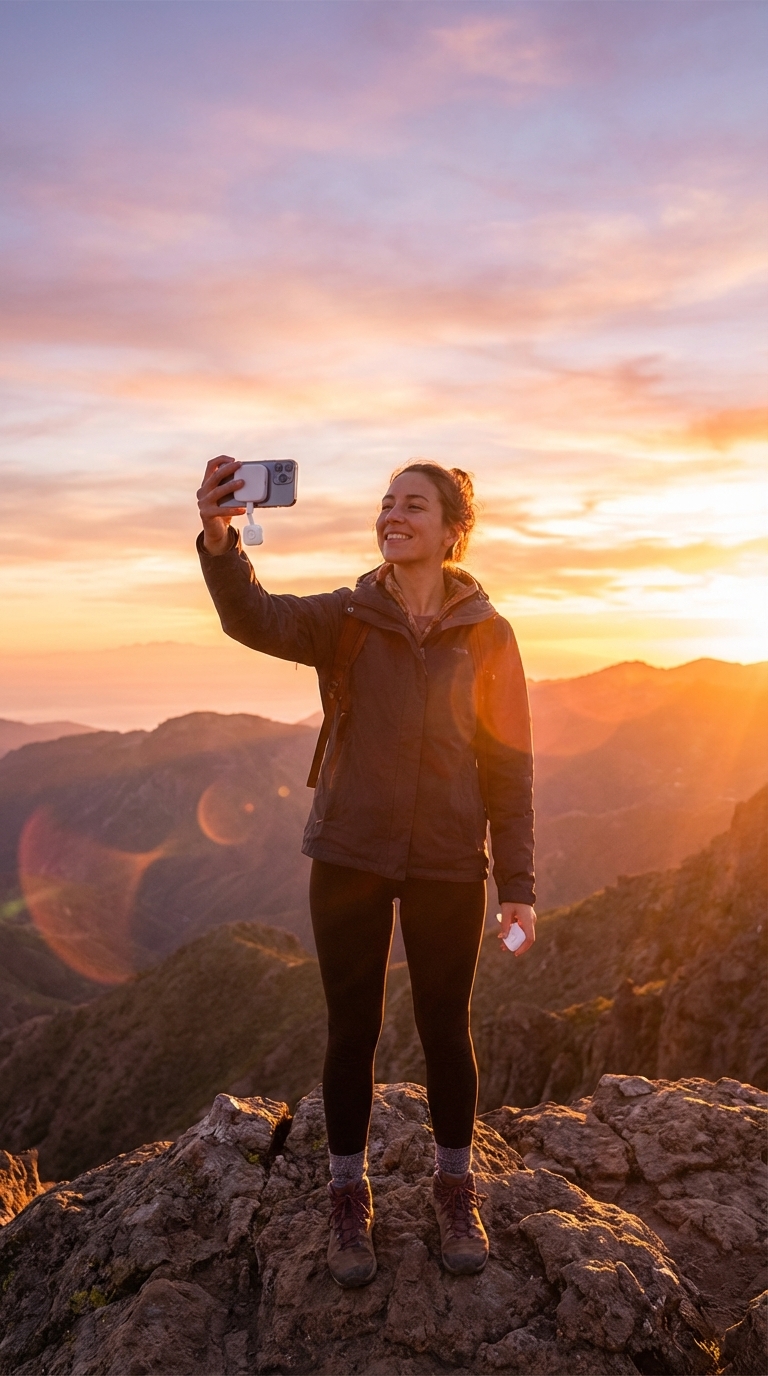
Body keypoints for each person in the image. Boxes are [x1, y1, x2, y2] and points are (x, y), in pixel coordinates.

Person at [196, 456, 536, 1288]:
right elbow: (254, 617)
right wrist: (218, 537)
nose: (392, 513)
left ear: (453, 530)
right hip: (348, 853)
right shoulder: (347, 618)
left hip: (450, 863)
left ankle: (456, 1187)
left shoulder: (488, 635)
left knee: (445, 1029)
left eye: (412, 504)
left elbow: (510, 768)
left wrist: (518, 885)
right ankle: (349, 1197)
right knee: (351, 1032)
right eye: (385, 503)